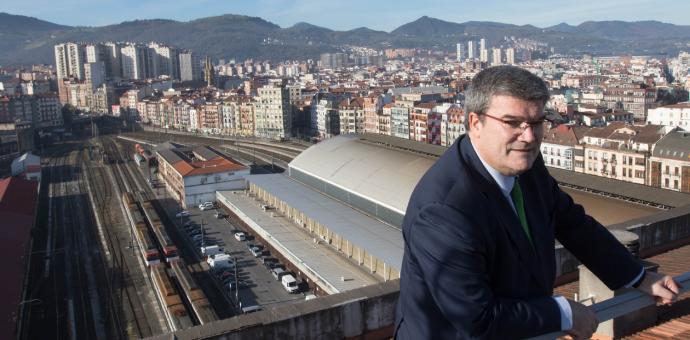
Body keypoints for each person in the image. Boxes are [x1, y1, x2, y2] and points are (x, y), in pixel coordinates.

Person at [395, 65, 681, 339]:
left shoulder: (524, 163)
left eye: (536, 122)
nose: (529, 136)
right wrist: (563, 313)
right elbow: (476, 318)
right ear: (475, 122)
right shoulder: (444, 210)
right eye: (512, 123)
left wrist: (636, 277)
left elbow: (571, 222)